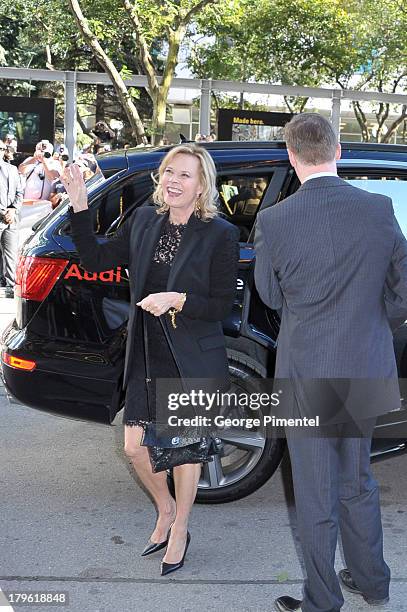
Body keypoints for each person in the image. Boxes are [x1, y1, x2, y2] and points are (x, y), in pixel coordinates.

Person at [60, 143, 240, 576]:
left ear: (202, 186)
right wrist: (80, 204)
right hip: (145, 350)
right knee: (135, 448)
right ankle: (165, 508)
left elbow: (222, 306)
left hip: (189, 356)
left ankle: (180, 527)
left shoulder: (220, 234)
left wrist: (178, 299)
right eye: (168, 172)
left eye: (185, 175)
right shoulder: (144, 220)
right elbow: (97, 257)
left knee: (184, 451)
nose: (174, 181)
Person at [254, 113, 407, 612]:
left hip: (307, 370)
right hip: (364, 364)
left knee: (317, 492)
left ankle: (322, 602)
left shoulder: (274, 220)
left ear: (291, 156)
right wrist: (367, 318)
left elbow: (271, 297)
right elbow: (404, 290)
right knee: (356, 480)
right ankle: (374, 583)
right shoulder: (380, 209)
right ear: (338, 151)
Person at [0, 139, 23, 297]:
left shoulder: (12, 169)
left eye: (2, 148)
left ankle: (11, 288)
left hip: (11, 219)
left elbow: (19, 192)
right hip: (4, 215)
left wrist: (13, 210)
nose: (1, 151)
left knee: (11, 254)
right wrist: (4, 212)